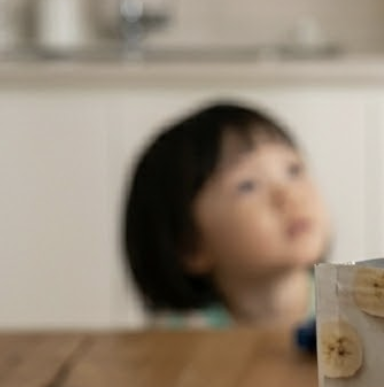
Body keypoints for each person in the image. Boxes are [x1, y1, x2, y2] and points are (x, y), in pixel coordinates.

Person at [122, 101, 329, 329]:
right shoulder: (180, 337)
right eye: (248, 185)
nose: (288, 195)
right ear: (191, 246)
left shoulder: (350, 309)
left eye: (294, 170)